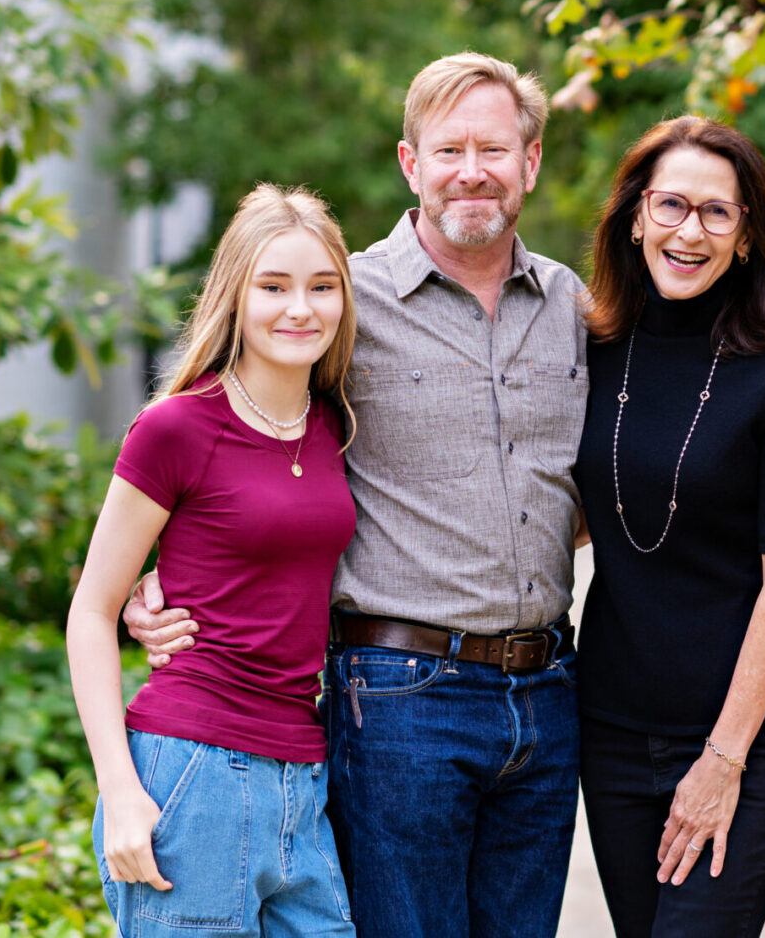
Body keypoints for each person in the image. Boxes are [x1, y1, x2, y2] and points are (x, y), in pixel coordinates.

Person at [123, 53, 588, 938]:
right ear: (410, 163)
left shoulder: (570, 306)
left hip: (548, 695)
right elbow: (227, 429)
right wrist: (159, 574)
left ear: (530, 162)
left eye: (494, 149)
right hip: (401, 695)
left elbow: (596, 478)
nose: (472, 171)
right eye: (448, 150)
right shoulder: (342, 300)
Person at [68, 184, 358, 936]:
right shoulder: (177, 428)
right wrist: (120, 790)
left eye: (322, 287)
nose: (300, 309)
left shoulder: (335, 426)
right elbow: (92, 611)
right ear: (235, 294)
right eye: (274, 286)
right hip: (194, 772)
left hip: (304, 776)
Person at [574, 116, 765, 937]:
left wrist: (723, 760)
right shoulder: (591, 348)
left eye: (718, 212)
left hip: (742, 739)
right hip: (611, 727)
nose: (690, 232)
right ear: (636, 217)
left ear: (746, 235)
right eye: (672, 205)